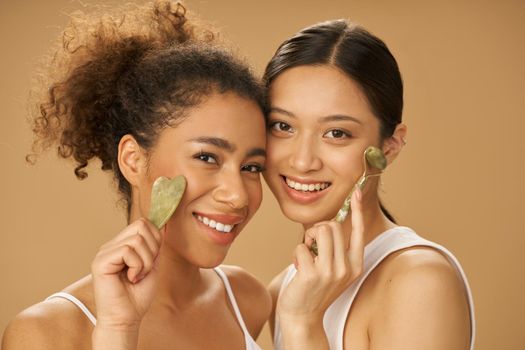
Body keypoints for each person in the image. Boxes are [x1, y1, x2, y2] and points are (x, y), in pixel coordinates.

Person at [1, 1, 271, 349]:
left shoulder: (247, 300)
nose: (238, 195)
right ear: (132, 159)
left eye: (251, 167)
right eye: (207, 157)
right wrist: (117, 329)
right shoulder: (45, 335)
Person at [263, 19, 475, 350]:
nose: (303, 161)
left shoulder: (419, 281)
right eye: (282, 126)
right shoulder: (285, 289)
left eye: (336, 133)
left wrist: (303, 325)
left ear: (390, 146)